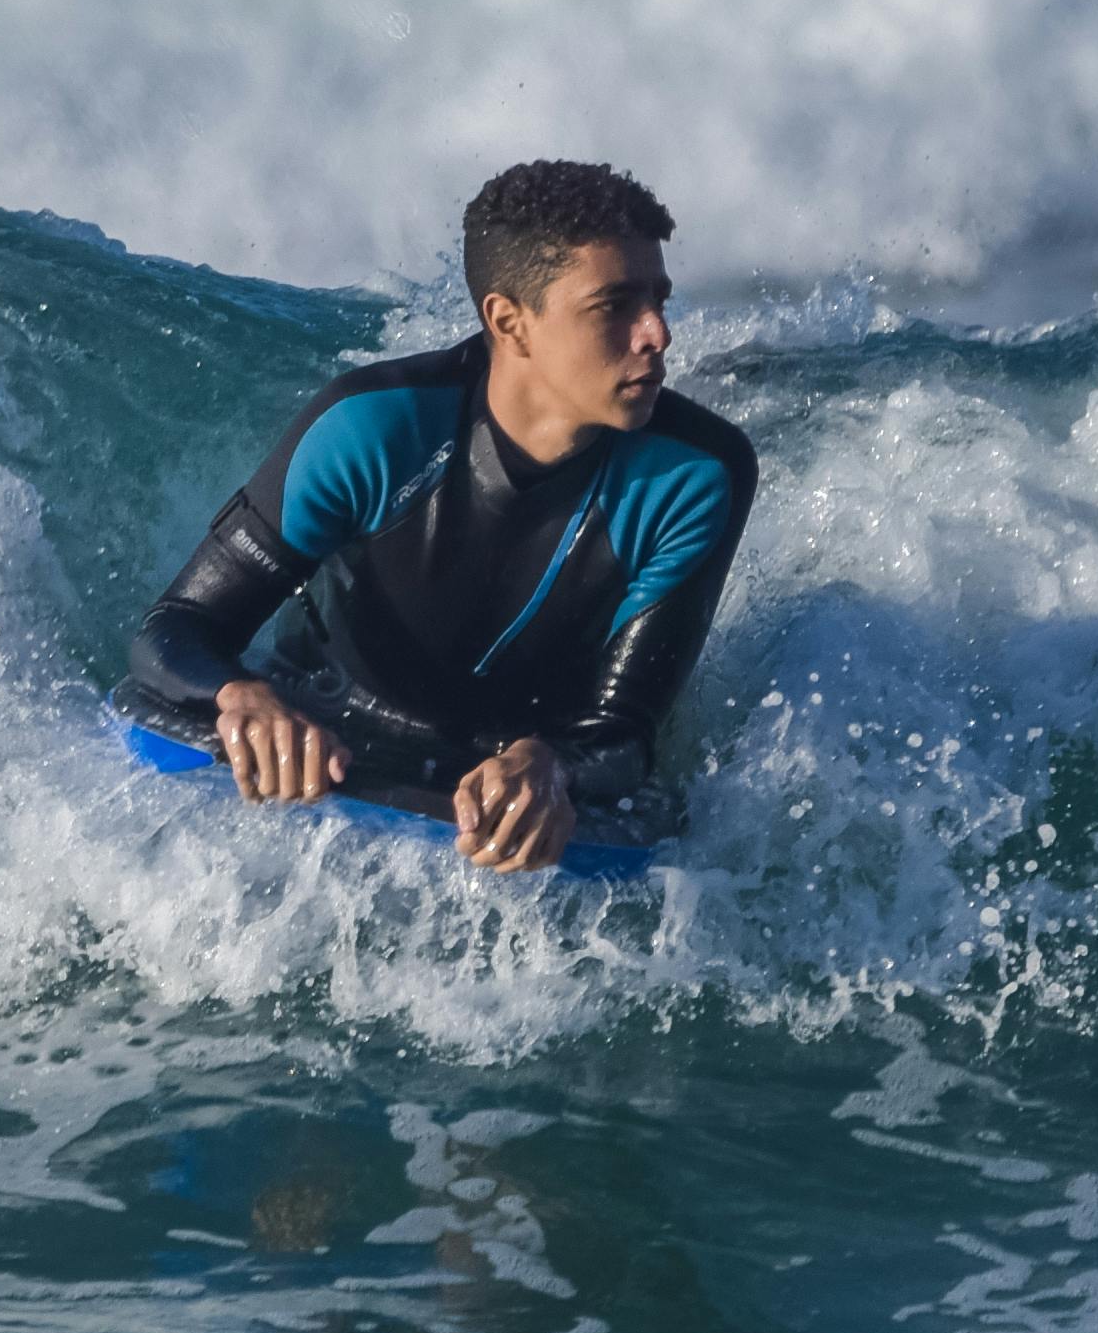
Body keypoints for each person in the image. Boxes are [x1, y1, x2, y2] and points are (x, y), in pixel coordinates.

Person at [122, 159, 758, 874]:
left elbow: (624, 735)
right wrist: (243, 699)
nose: (657, 334)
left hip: (513, 786)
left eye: (659, 299)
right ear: (509, 321)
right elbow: (175, 631)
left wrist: (552, 766)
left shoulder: (695, 475)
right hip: (327, 741)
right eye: (614, 306)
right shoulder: (377, 428)